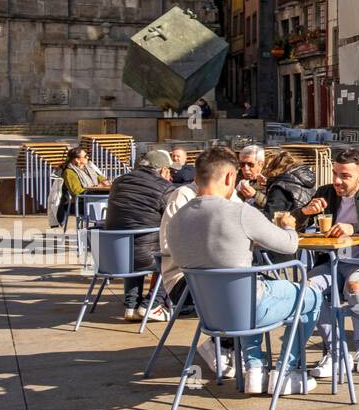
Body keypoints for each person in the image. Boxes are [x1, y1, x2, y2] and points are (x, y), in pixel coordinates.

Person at [165, 146, 322, 396]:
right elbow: (289, 245)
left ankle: (255, 371)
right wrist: (290, 225)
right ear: (230, 177)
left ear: (196, 177)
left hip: (209, 313)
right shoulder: (240, 212)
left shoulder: (176, 220)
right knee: (312, 295)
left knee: (248, 288)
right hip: (246, 309)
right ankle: (285, 371)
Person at [291, 148, 359, 377]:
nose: (337, 181)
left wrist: (356, 227)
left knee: (355, 287)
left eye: (345, 176)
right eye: (335, 174)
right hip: (330, 261)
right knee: (307, 289)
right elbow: (293, 224)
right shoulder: (325, 192)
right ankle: (336, 352)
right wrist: (305, 212)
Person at [159, 146, 230, 375]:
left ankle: (239, 350)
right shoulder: (183, 196)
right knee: (234, 289)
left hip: (222, 275)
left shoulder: (231, 196)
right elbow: (169, 246)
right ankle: (221, 345)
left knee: (256, 286)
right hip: (185, 278)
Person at [104, 150, 174, 322]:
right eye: (170, 171)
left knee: (134, 247)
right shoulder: (164, 187)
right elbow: (174, 219)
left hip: (113, 254)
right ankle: (153, 304)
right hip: (145, 256)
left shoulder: (118, 182)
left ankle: (131, 306)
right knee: (174, 255)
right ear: (163, 170)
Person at [56, 145, 106, 229]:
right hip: (78, 203)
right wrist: (95, 188)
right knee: (106, 206)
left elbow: (101, 179)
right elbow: (76, 192)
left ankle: (100, 229)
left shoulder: (88, 168)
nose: (88, 157)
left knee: (108, 204)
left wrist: (105, 182)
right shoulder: (69, 172)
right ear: (77, 159)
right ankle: (99, 230)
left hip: (92, 200)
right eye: (85, 156)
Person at [262, 149, 317, 220]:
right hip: (304, 227)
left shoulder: (280, 187)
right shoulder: (305, 181)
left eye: (265, 168)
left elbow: (269, 218)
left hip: (285, 228)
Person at [235, 144, 268, 211]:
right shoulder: (236, 177)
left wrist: (255, 195)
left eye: (250, 164)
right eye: (242, 164)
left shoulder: (271, 180)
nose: (245, 169)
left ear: (261, 164)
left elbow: (275, 207)